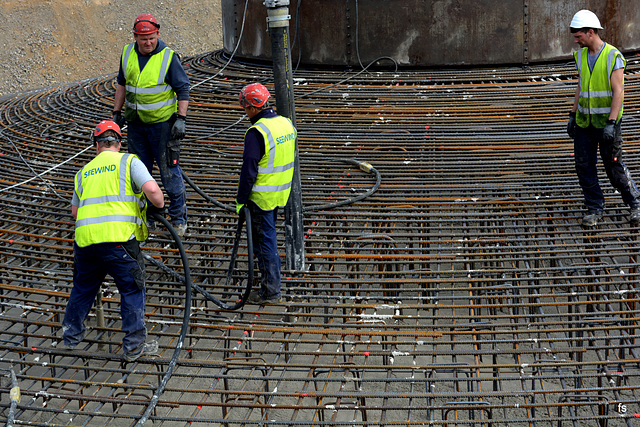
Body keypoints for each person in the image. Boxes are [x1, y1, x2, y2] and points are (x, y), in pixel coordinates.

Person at [62, 120, 165, 362]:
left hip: (86, 243)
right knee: (131, 288)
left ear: (95, 145)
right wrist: (158, 205)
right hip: (119, 241)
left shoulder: (83, 172)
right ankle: (133, 347)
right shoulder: (129, 161)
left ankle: (70, 337)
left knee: (83, 288)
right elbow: (152, 190)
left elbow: (75, 213)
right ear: (119, 143)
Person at [112, 13, 190, 237]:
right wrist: (117, 112)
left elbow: (183, 89)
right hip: (136, 126)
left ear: (157, 34)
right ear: (135, 36)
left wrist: (181, 119)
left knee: (169, 173)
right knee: (140, 174)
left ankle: (178, 220)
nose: (148, 42)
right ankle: (151, 219)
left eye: (152, 38)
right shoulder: (127, 53)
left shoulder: (168, 57)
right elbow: (121, 84)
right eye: (143, 39)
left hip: (162, 126)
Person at [567, 9, 640, 227]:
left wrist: (611, 123)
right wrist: (572, 115)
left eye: (579, 36)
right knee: (584, 166)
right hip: (584, 123)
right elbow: (581, 85)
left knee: (614, 166)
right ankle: (594, 208)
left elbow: (618, 91)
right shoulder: (580, 55)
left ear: (590, 32)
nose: (576, 40)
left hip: (607, 123)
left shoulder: (612, 56)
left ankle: (635, 203)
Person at [236, 83, 296, 305]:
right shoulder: (286, 124)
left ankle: (270, 291)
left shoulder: (256, 132)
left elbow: (249, 171)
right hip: (280, 192)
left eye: (245, 108)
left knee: (265, 243)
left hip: (261, 198)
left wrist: (241, 200)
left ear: (252, 107)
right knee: (268, 239)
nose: (245, 112)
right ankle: (270, 287)